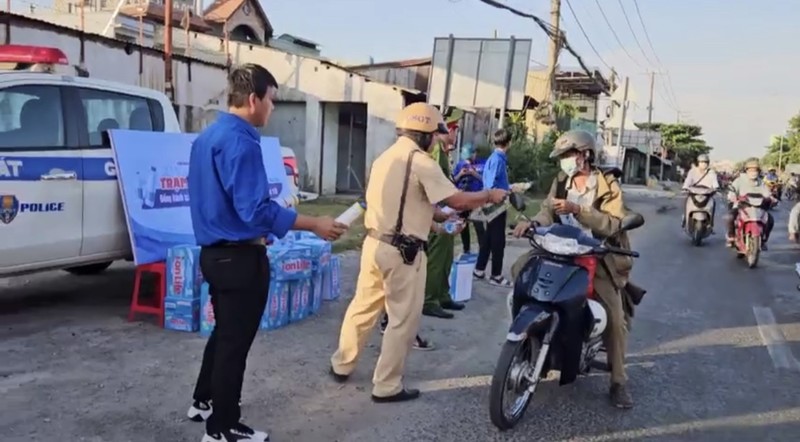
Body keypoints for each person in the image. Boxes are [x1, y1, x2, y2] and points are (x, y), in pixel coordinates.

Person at [185, 64, 347, 442]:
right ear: (254, 99)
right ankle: (222, 428)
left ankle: (203, 400)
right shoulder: (242, 141)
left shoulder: (208, 137)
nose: (273, 109)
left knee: (225, 334)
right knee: (234, 345)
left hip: (215, 254)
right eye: (272, 101)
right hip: (239, 259)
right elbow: (255, 211)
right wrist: (314, 223)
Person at [329, 102, 507, 403]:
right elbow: (458, 199)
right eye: (436, 134)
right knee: (402, 320)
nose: (438, 139)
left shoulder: (384, 158)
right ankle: (387, 385)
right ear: (424, 133)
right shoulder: (421, 161)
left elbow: (408, 203)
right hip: (404, 253)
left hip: (375, 245)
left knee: (362, 309)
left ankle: (342, 364)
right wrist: (490, 195)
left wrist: (438, 221)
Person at [511, 130, 635, 409]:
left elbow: (613, 223)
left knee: (615, 319)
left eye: (569, 155)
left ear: (585, 155)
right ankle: (529, 345)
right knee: (520, 273)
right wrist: (532, 223)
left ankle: (618, 381)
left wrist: (578, 210)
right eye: (563, 156)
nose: (565, 161)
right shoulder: (561, 181)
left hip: (595, 256)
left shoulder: (607, 184)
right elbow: (547, 210)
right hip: (558, 248)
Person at [422, 121, 467, 319]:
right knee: (437, 257)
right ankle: (429, 299)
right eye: (454, 130)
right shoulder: (436, 152)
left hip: (446, 209)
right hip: (438, 210)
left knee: (447, 254)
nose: (455, 134)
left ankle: (442, 294)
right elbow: (434, 185)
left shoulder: (443, 152)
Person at [473, 129, 513, 287]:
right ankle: (496, 275)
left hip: (495, 202)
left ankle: (479, 269)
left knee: (489, 238)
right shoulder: (497, 159)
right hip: (496, 204)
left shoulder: (495, 157)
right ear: (508, 143)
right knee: (498, 240)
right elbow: (490, 184)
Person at [726, 158, 774, 250]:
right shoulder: (739, 180)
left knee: (770, 220)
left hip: (758, 208)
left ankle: (763, 240)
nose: (753, 172)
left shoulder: (761, 182)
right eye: (751, 170)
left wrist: (771, 198)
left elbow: (767, 193)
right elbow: (732, 190)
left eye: (755, 170)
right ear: (746, 170)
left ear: (758, 171)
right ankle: (731, 236)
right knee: (729, 217)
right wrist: (732, 196)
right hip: (742, 206)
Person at [453, 143, 486, 254]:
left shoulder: (482, 164)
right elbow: (453, 181)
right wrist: (461, 174)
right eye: (466, 158)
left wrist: (474, 173)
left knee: (478, 225)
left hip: (476, 199)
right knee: (463, 225)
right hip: (463, 199)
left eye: (471, 156)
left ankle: (483, 250)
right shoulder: (459, 165)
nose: (469, 160)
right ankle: (466, 249)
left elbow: (486, 180)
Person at [681, 154, 720, 229]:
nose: (703, 164)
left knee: (713, 203)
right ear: (698, 163)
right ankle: (685, 218)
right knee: (686, 201)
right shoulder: (692, 171)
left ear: (708, 163)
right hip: (694, 193)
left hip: (707, 195)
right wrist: (685, 188)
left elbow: (715, 182)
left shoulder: (711, 172)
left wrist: (716, 188)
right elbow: (688, 181)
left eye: (705, 162)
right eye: (701, 162)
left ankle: (711, 223)